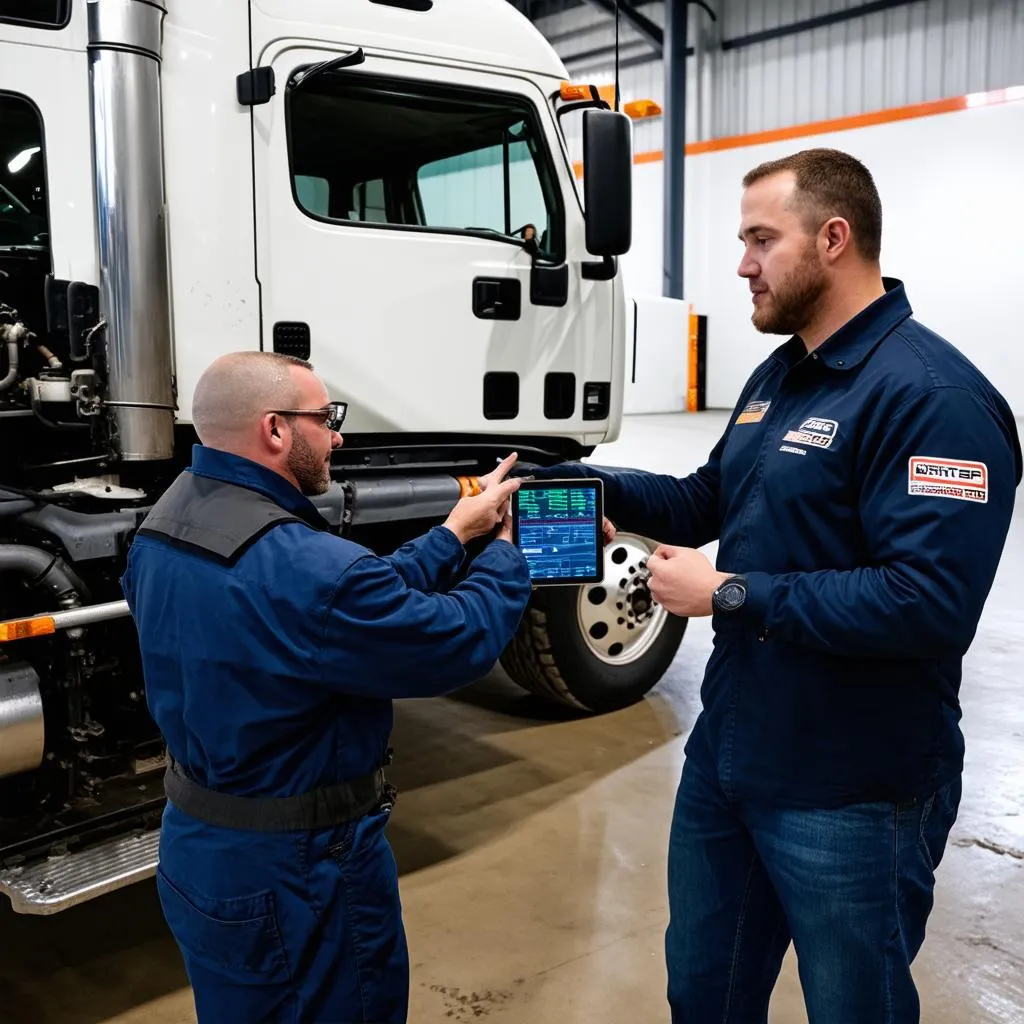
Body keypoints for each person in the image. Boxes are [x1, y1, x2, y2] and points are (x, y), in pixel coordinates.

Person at [531, 148, 1022, 1021]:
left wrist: (727, 593)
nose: (742, 264)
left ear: (834, 239)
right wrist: (584, 484)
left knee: (854, 1005)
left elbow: (927, 604)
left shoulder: (933, 398)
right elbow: (704, 499)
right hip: (732, 757)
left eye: (762, 239)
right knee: (705, 992)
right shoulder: (779, 376)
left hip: (854, 786)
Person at [120, 351, 532, 1024]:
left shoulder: (166, 523)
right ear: (277, 430)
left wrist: (454, 534)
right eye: (326, 417)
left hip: (199, 851)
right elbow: (454, 639)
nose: (337, 435)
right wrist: (509, 555)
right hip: (301, 873)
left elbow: (336, 611)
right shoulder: (310, 568)